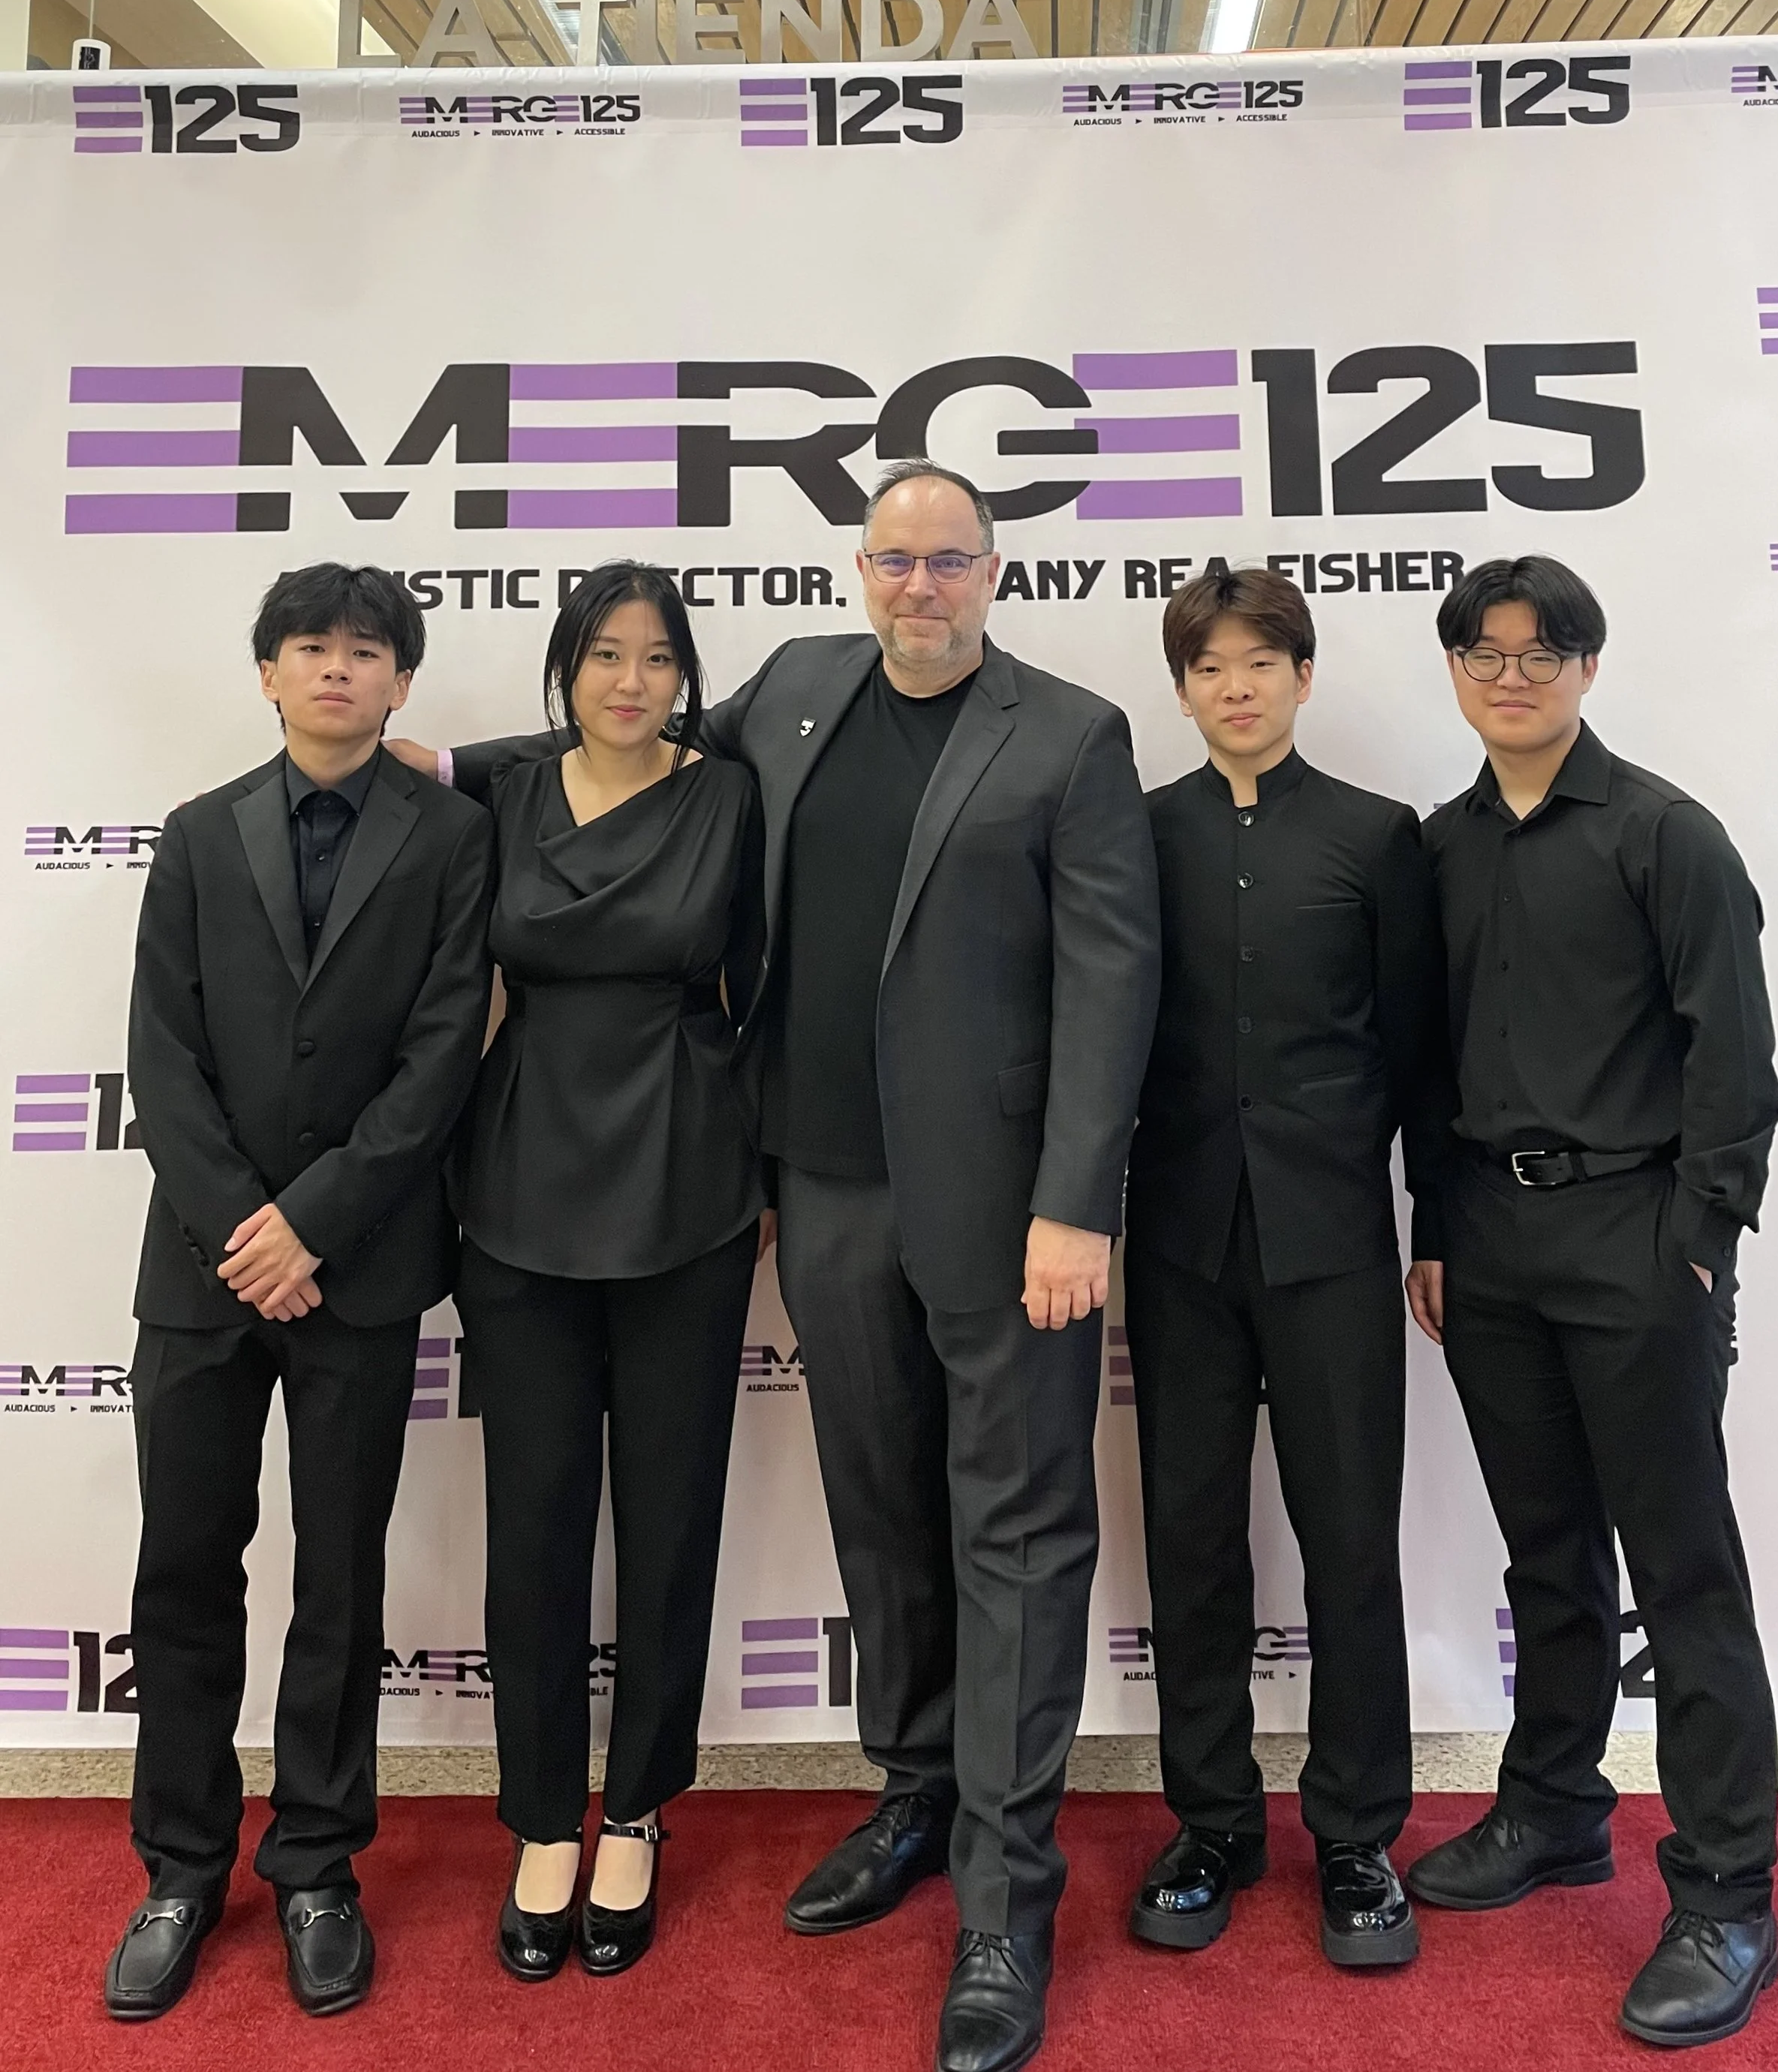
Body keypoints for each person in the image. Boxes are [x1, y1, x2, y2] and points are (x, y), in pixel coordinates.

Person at [402, 462, 1157, 2072]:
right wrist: (454, 764)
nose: (919, 586)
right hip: (816, 1189)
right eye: (893, 558)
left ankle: (1004, 1900)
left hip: (1005, 1212)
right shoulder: (799, 689)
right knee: (882, 1508)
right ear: (858, 571)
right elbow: (628, 745)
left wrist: (1076, 1200)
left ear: (991, 571)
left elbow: (1111, 978)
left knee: (1014, 1532)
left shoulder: (1072, 736)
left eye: (948, 560)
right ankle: (913, 1788)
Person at [104, 565, 494, 2023]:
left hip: (363, 1264)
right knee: (185, 1570)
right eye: (310, 648)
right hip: (201, 1273)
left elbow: (442, 1051)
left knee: (340, 1580)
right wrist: (240, 1226)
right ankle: (181, 1864)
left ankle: (319, 1860)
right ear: (268, 673)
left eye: (366, 651)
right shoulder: (202, 836)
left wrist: (314, 1221)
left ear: (401, 681)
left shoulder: (451, 837)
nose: (337, 669)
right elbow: (163, 1047)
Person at [1404, 556, 1778, 2051]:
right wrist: (1434, 1226)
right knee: (1545, 1558)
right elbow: (1426, 1071)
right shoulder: (1435, 849)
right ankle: (1555, 1805)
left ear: (1584, 665)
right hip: (1486, 1246)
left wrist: (1694, 1241)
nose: (1510, 673)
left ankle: (1726, 1891)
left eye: (1539, 649)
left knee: (1681, 1574)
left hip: (1637, 1241)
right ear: (1452, 671)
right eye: (1481, 651)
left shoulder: (1661, 833)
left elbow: (1732, 1063)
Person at [435, 563, 766, 1985]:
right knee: (538, 1519)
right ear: (564, 668)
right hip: (518, 1181)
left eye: (656, 658)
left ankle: (633, 1808)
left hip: (690, 1175)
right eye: (603, 655)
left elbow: (771, 975)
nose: (630, 681)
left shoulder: (730, 797)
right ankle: (538, 1821)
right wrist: (452, 752)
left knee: (674, 1509)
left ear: (686, 676)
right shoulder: (496, 798)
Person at [1124, 567, 1452, 1969]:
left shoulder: (1382, 841)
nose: (1238, 688)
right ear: (1184, 690)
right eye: (1210, 669)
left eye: (1263, 663)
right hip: (1182, 1245)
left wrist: (1434, 1224)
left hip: (1331, 1246)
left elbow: (1424, 1059)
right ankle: (1212, 1823)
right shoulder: (1133, 838)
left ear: (1304, 679)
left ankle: (1360, 1835)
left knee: (1348, 1542)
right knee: (1192, 1543)